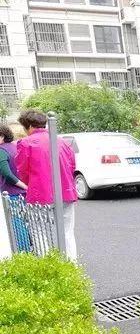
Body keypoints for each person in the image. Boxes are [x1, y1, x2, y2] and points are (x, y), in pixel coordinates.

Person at [15, 110, 78, 260]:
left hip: (39, 194)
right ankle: (71, 265)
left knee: (39, 231)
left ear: (29, 126)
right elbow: (72, 166)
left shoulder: (26, 143)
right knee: (67, 231)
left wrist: (30, 184)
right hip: (66, 192)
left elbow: (22, 171)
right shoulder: (62, 141)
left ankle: (46, 266)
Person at [0, 125, 31, 252]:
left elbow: (7, 174)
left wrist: (24, 186)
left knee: (18, 224)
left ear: (1, 136)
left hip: (12, 193)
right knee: (26, 221)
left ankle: (25, 253)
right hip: (22, 193)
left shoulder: (1, 151)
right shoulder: (14, 147)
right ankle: (31, 248)